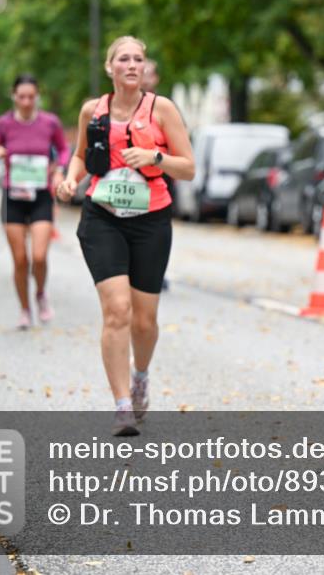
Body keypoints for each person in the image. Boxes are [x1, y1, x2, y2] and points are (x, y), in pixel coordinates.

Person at [57, 36, 195, 437]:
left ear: (144, 67)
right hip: (103, 217)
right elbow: (82, 156)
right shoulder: (92, 111)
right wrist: (69, 180)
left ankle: (140, 376)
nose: (132, 65)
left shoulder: (161, 109)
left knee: (144, 320)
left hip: (151, 219)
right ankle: (122, 406)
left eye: (138, 59)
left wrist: (155, 157)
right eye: (123, 59)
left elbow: (188, 167)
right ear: (109, 67)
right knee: (117, 310)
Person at [0, 74, 70, 329]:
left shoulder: (50, 122)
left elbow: (63, 150)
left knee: (39, 257)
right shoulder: (2, 124)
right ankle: (25, 309)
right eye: (22, 97)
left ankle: (40, 293)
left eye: (31, 96)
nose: (27, 101)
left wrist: (60, 169)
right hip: (13, 197)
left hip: (40, 195)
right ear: (14, 96)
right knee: (20, 260)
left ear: (37, 96)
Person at [141, 58, 171, 292]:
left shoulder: (166, 107)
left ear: (156, 78)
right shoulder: (116, 106)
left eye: (149, 73)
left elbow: (180, 147)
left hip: (159, 177)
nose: (145, 77)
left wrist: (158, 158)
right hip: (126, 179)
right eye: (143, 73)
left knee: (156, 228)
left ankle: (156, 271)